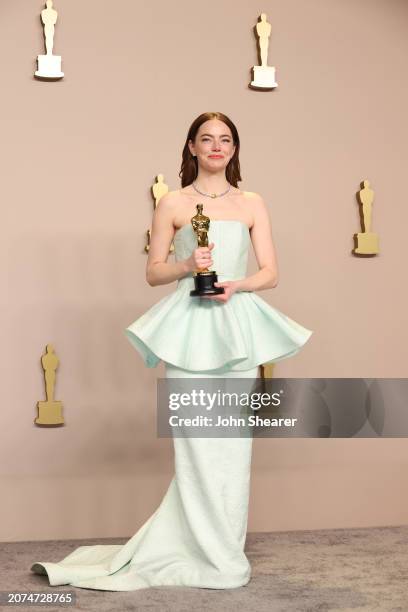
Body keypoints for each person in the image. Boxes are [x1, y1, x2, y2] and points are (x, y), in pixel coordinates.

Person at [30, 111, 312, 591]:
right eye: (207, 139)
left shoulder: (252, 203)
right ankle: (199, 549)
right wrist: (186, 265)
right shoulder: (173, 204)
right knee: (195, 448)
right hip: (189, 333)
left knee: (232, 450)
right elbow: (152, 272)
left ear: (234, 149)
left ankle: (222, 553)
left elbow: (271, 273)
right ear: (192, 147)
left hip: (235, 330)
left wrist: (235, 285)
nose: (217, 147)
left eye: (226, 140)